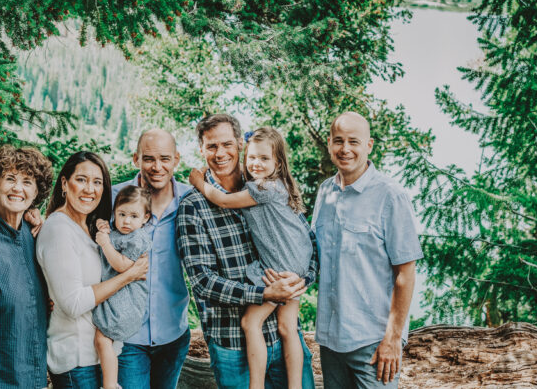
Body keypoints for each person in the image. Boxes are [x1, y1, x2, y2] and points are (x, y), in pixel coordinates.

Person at [177, 113, 316, 389]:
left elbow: (308, 239)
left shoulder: (266, 184)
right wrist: (265, 293)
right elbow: (203, 283)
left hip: (283, 337)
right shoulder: (192, 207)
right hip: (233, 345)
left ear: (240, 143)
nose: (220, 153)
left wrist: (302, 280)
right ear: (201, 150)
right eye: (212, 146)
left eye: (227, 144)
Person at [313, 112, 422, 388]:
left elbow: (406, 274)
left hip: (374, 347)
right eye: (338, 141)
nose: (345, 149)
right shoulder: (325, 193)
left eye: (353, 141)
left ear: (369, 145)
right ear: (329, 144)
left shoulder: (390, 195)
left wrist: (393, 338)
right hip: (330, 342)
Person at [36, 151, 150, 389]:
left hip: (95, 359)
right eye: (81, 179)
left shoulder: (88, 228)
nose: (90, 189)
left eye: (97, 182)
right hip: (77, 363)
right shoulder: (59, 229)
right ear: (65, 184)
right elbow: (73, 303)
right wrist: (129, 275)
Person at [0, 145, 54, 389]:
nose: (17, 188)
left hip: (30, 377)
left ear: (36, 193)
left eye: (27, 182)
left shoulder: (32, 234)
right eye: (10, 179)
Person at [112, 129, 192, 389]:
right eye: (149, 159)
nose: (157, 167)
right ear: (136, 159)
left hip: (173, 333)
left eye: (165, 159)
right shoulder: (113, 199)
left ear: (176, 159)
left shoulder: (192, 200)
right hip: (127, 337)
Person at [92, 186, 153, 389]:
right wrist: (102, 226)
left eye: (134, 216)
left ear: (145, 218)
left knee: (102, 339)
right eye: (122, 214)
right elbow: (106, 229)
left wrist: (105, 243)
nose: (126, 221)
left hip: (127, 301)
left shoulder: (138, 238)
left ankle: (110, 385)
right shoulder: (117, 230)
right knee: (102, 339)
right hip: (116, 297)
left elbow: (123, 266)